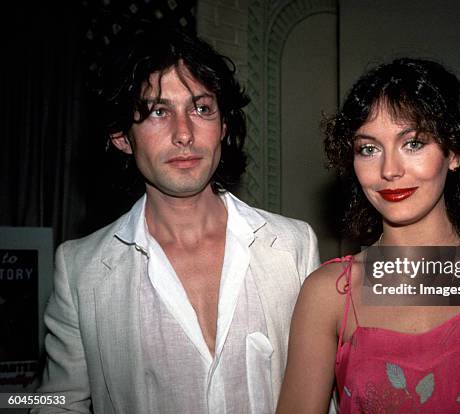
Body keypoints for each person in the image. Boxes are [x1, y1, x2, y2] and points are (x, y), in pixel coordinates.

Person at [32, 25, 319, 413]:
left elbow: (326, 395)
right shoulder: (80, 270)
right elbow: (54, 402)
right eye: (157, 112)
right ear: (121, 136)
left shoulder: (293, 246)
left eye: (201, 109)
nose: (184, 133)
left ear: (224, 126)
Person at [277, 58, 460, 413]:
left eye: (413, 143)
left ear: (453, 151)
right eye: (369, 149)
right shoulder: (327, 294)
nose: (389, 170)